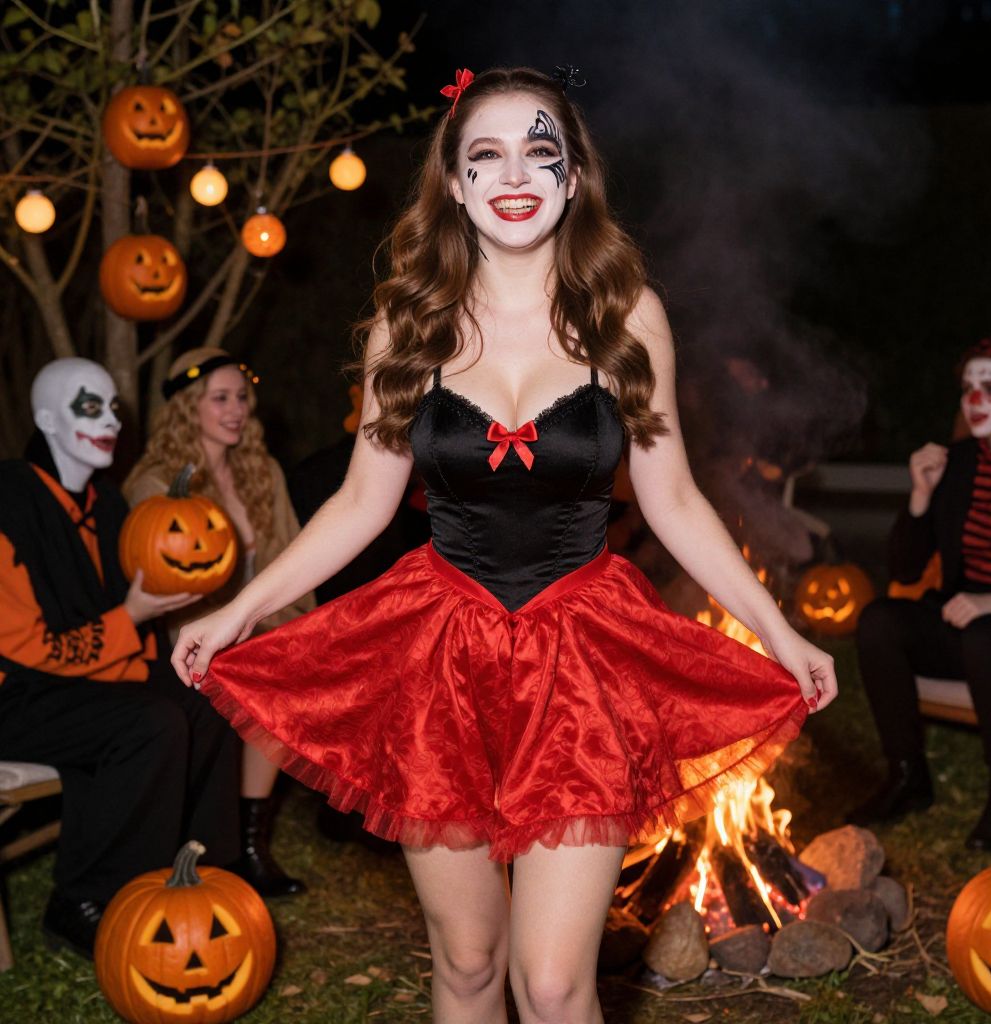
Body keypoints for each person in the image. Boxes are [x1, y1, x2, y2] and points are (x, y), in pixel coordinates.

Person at [171, 68, 836, 1023]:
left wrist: (778, 630)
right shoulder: (408, 324)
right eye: (486, 154)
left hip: (581, 661)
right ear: (454, 182)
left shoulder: (626, 317)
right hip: (441, 661)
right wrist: (237, 610)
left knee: (555, 984)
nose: (515, 174)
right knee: (469, 961)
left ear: (574, 177)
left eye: (540, 150)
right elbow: (360, 503)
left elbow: (677, 499)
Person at [0, 358, 240, 958]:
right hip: (14, 694)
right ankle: (88, 896)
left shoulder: (107, 505)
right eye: (90, 407)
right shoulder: (9, 501)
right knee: (148, 723)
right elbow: (24, 647)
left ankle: (200, 870)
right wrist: (132, 616)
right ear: (46, 419)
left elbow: (125, 632)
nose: (110, 421)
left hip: (78, 683)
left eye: (112, 408)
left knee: (209, 692)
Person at [123, 347, 314, 897]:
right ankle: (232, 843)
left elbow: (291, 559)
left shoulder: (262, 471)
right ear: (188, 406)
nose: (236, 410)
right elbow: (167, 584)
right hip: (191, 633)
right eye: (220, 398)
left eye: (242, 398)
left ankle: (251, 840)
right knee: (262, 676)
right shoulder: (155, 483)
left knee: (292, 666)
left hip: (261, 623)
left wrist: (297, 630)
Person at [852, 329, 991, 851]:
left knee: (985, 635)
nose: (975, 400)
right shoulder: (959, 463)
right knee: (880, 620)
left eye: (990, 387)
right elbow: (905, 569)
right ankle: (907, 775)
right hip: (963, 622)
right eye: (968, 388)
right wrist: (922, 496)